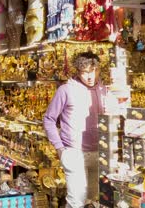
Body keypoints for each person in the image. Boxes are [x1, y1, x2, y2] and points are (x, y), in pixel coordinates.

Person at [43, 51, 106, 208]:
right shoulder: (66, 90)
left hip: (99, 153)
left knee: (94, 201)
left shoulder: (104, 90)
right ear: (78, 72)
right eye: (85, 72)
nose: (90, 77)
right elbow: (49, 119)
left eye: (93, 71)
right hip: (74, 152)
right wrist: (60, 149)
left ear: (98, 69)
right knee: (76, 202)